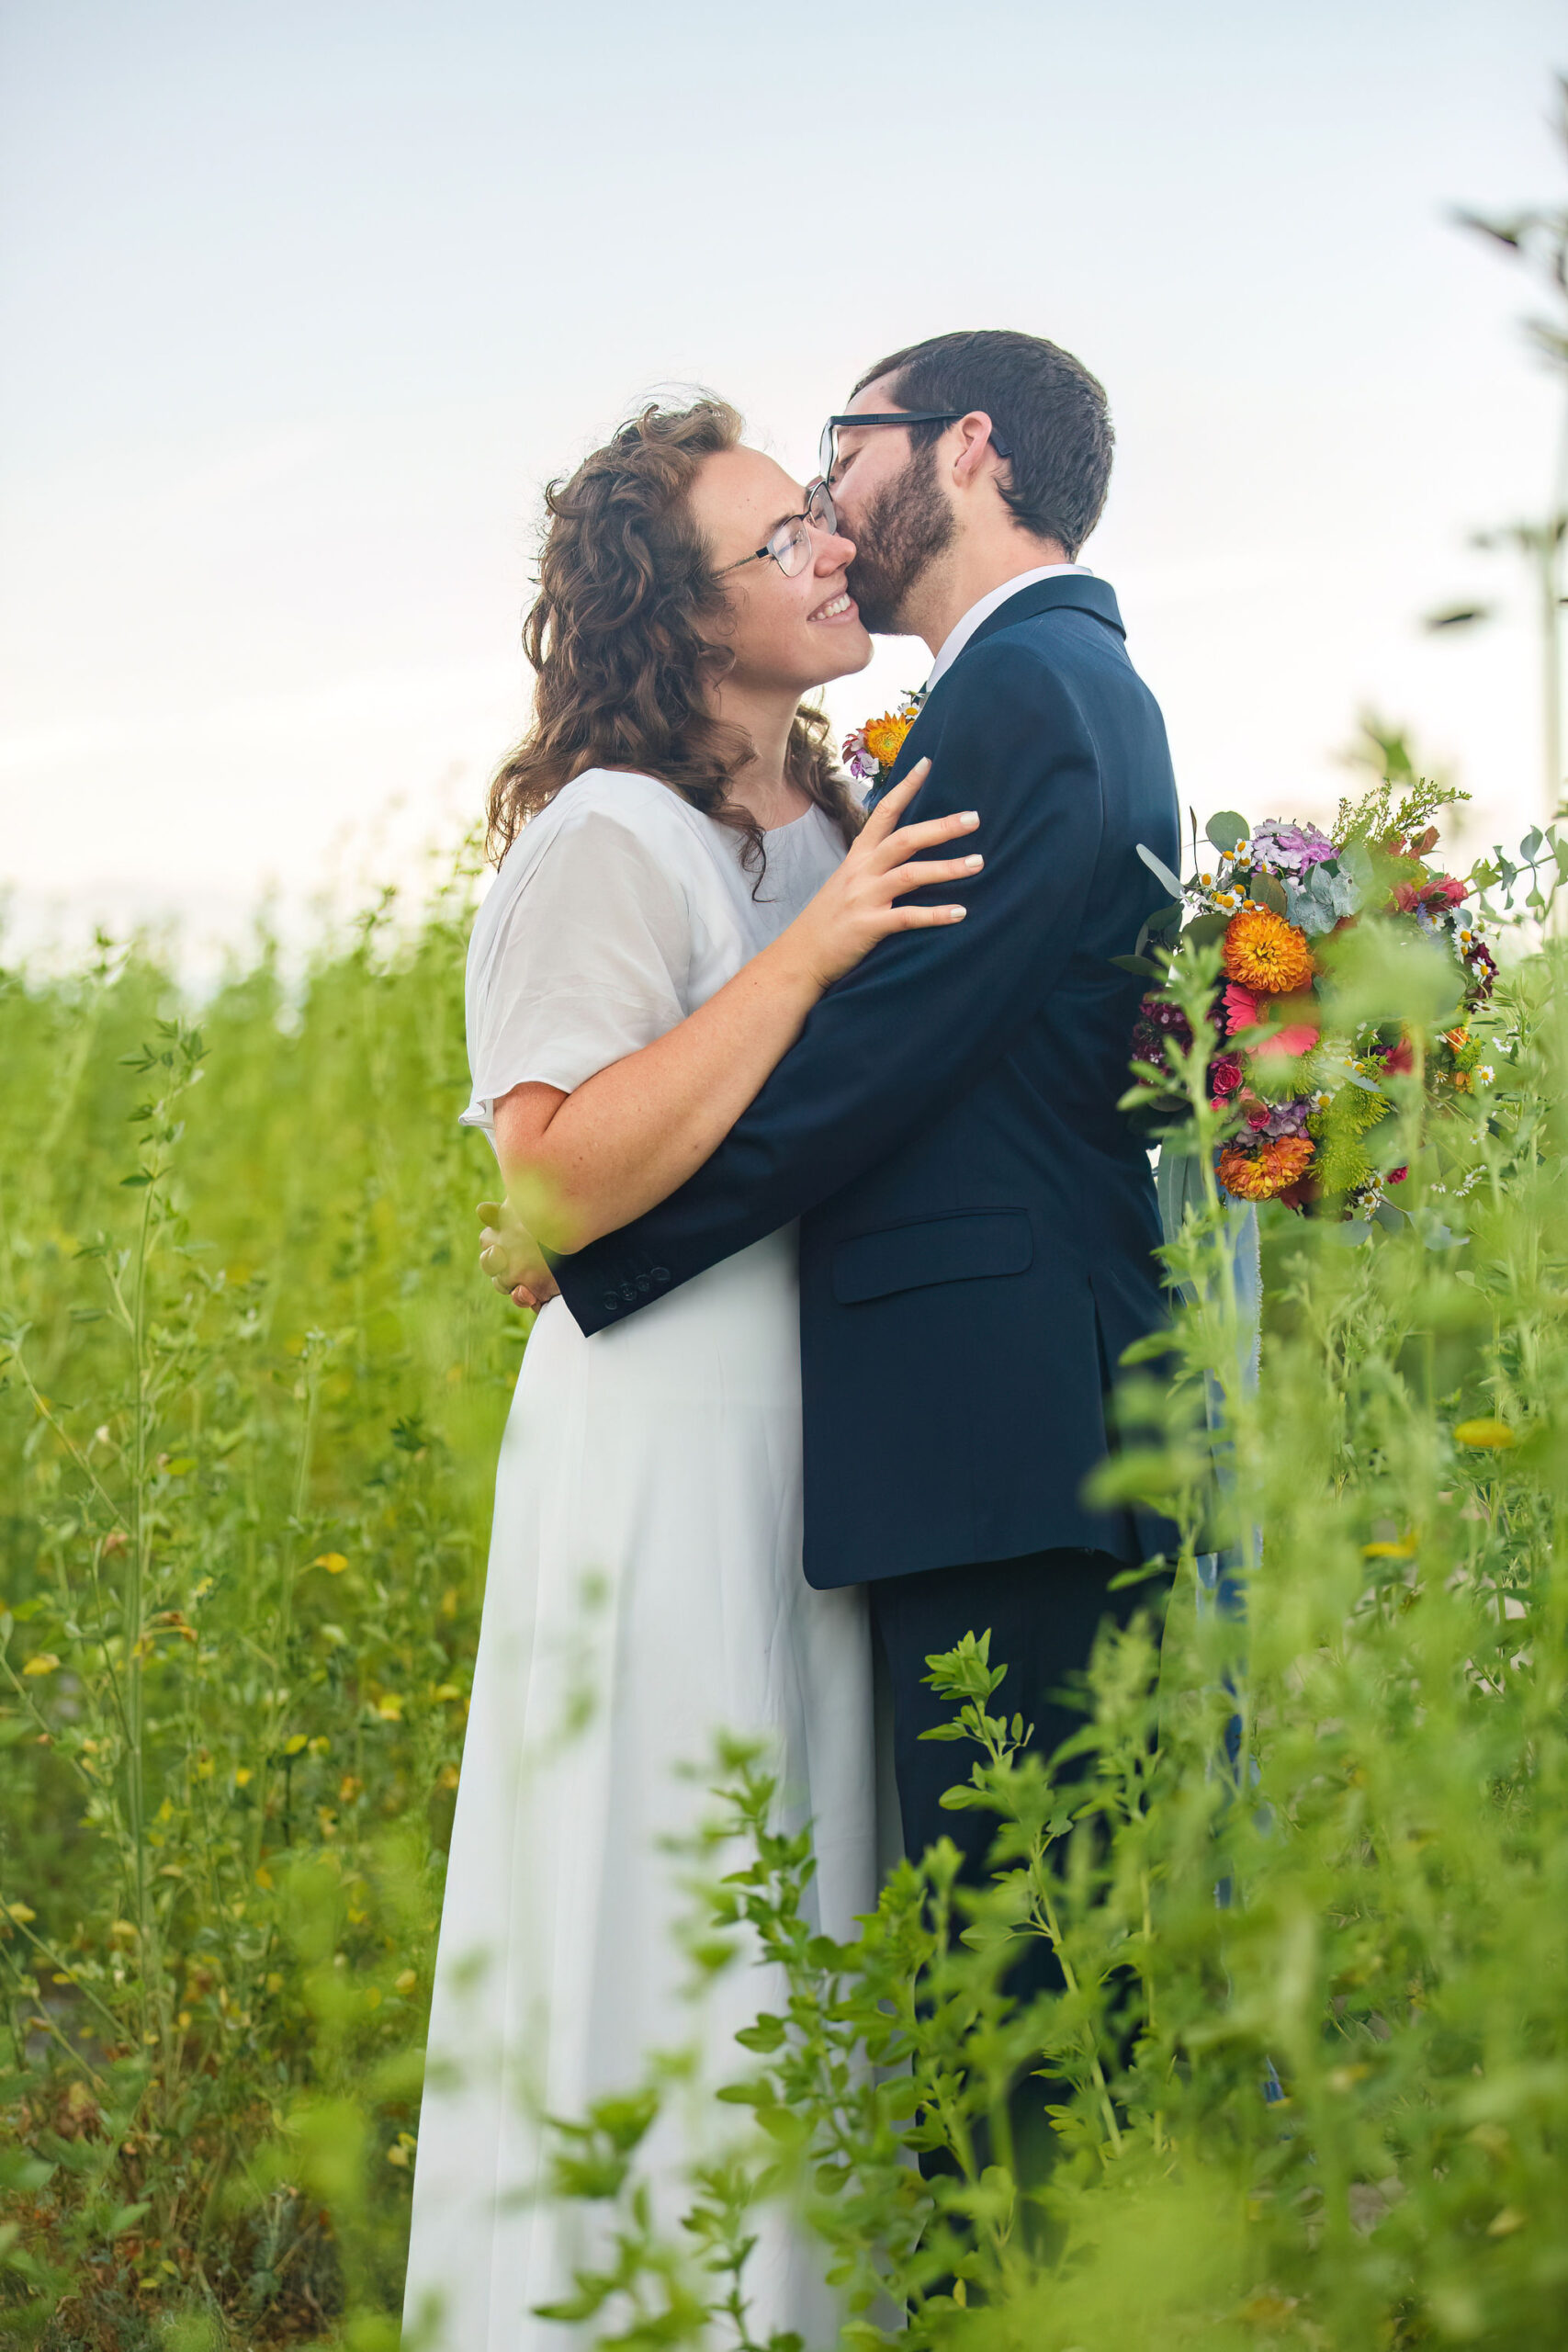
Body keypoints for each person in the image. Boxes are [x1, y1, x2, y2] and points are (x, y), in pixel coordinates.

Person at [402, 397, 986, 2352]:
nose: (831, 551)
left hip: (813, 1429)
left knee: (806, 1889)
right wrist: (802, 956)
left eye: (820, 518)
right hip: (655, 1438)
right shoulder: (606, 836)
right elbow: (555, 1177)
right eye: (778, 542)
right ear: (676, 609)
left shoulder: (827, 815)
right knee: (663, 1889)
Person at [500, 329, 1183, 1918]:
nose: (827, 507)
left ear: (965, 448)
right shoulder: (1028, 696)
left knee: (1004, 1953)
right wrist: (577, 1202)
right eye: (785, 514)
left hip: (985, 1423)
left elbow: (882, 1055)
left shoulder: (1016, 696)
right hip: (920, 1421)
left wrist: (601, 1242)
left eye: (841, 455)